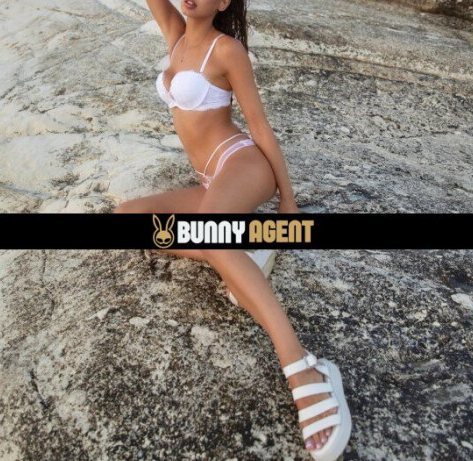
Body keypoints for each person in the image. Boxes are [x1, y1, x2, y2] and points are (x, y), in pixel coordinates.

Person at [114, 1, 351, 459]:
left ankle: (304, 367)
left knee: (207, 231)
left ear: (224, 2)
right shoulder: (175, 35)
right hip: (210, 181)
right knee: (127, 217)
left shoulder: (227, 50)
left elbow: (259, 125)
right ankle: (239, 249)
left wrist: (288, 200)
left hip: (242, 164)